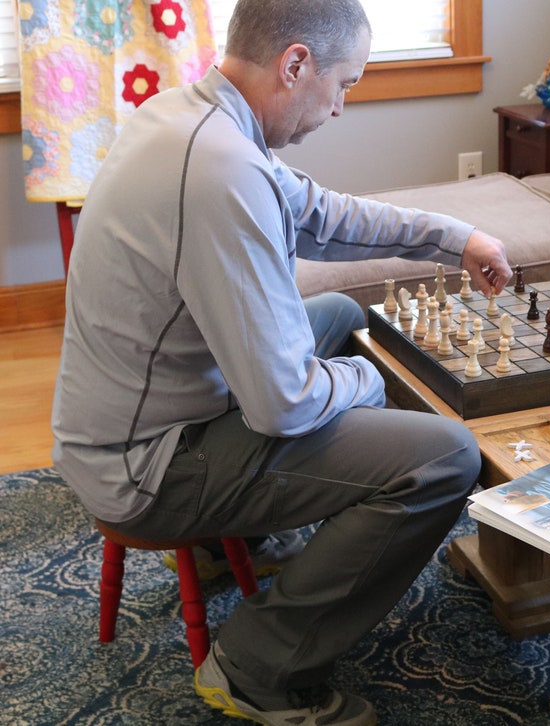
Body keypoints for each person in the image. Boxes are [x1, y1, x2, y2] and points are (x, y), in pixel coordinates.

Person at [50, 1, 512, 724]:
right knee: (443, 456)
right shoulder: (219, 172)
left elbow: (322, 215)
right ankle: (254, 666)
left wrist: (458, 239)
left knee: (339, 317)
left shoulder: (193, 117)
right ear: (295, 64)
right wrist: (379, 381)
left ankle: (232, 536)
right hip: (146, 469)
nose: (339, 108)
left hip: (144, 418)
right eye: (345, 84)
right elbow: (283, 404)